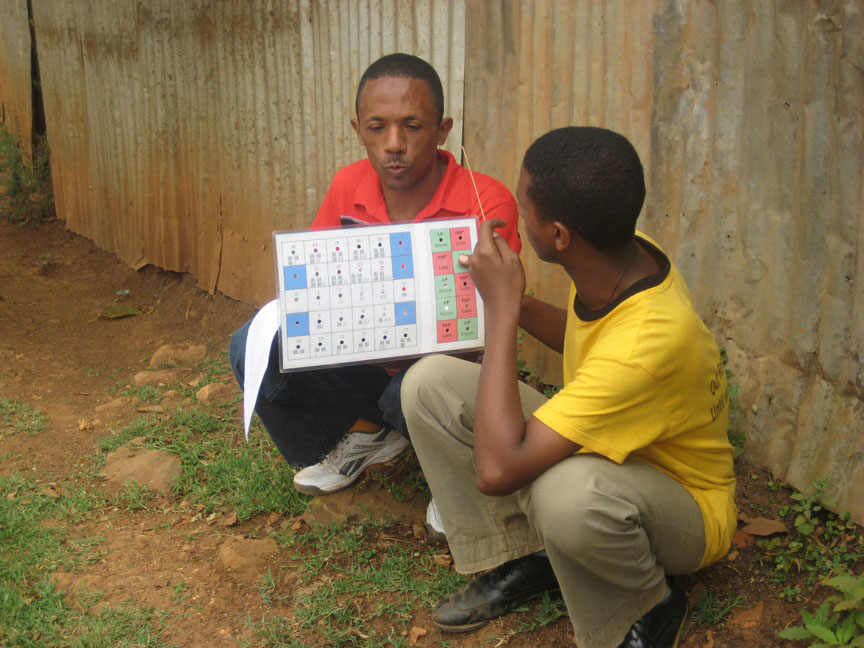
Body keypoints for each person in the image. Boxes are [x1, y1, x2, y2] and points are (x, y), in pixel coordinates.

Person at [400, 127, 736, 648]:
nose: (516, 212)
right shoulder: (623, 253)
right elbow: (589, 335)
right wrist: (519, 305)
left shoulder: (648, 343)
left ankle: (648, 608)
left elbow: (497, 470)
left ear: (559, 236)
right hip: (615, 451)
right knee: (429, 384)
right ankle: (528, 556)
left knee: (568, 496)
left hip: (684, 506)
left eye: (524, 205)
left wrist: (504, 312)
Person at [229, 53, 521, 497]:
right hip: (366, 361)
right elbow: (313, 285)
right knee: (255, 342)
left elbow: (494, 320)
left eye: (413, 125)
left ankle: (454, 478)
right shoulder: (348, 185)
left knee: (420, 385)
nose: (394, 143)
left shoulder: (486, 203)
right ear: (357, 130)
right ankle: (366, 435)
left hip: (444, 372)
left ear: (443, 130)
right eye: (377, 127)